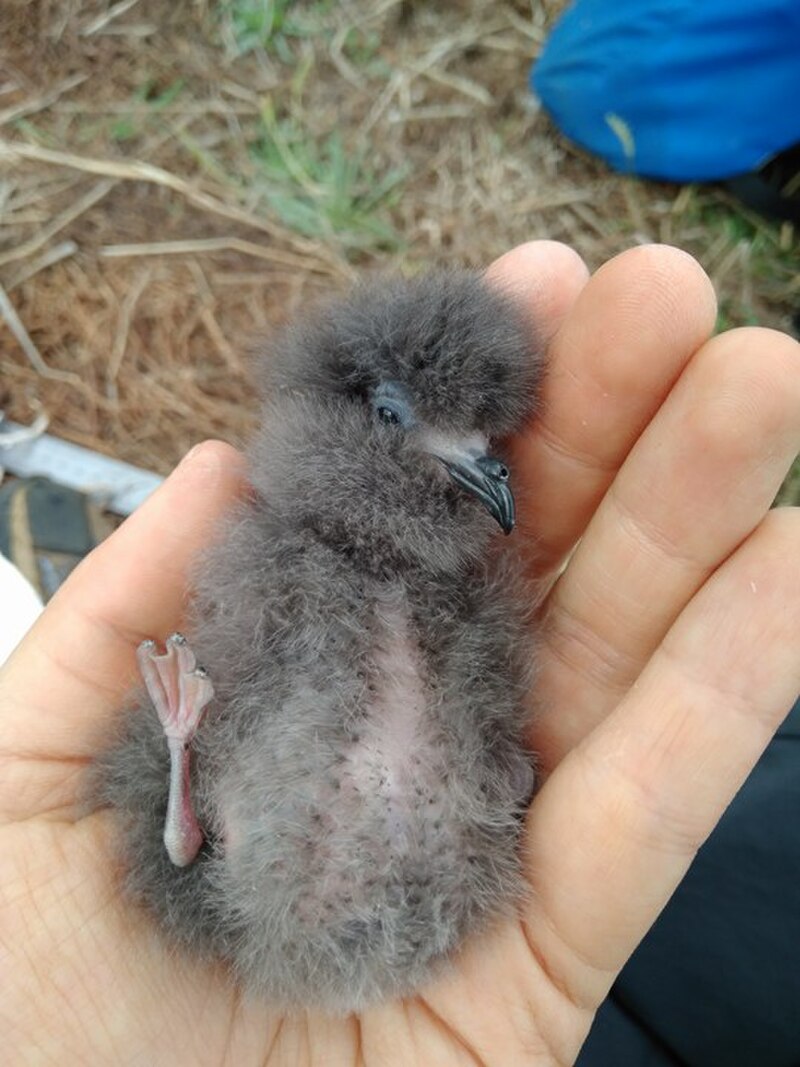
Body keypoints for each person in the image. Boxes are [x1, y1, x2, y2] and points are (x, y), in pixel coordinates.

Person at [1, 241, 798, 1065]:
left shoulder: (455, 596)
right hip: (286, 895)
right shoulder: (280, 556)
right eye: (405, 418)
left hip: (405, 899)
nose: (478, 463)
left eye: (483, 437)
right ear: (336, 407)